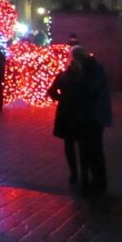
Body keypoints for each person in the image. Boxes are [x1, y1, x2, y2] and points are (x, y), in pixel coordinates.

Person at [73, 46, 112, 195]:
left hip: (92, 115)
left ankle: (98, 182)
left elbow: (89, 90)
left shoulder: (91, 70)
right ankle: (96, 181)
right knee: (93, 149)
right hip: (93, 114)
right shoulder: (93, 67)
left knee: (92, 149)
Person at [47, 54, 82, 185]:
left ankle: (73, 172)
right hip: (79, 112)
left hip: (66, 111)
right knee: (81, 143)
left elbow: (51, 91)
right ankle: (82, 172)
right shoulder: (83, 77)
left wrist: (61, 99)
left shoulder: (63, 76)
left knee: (69, 143)